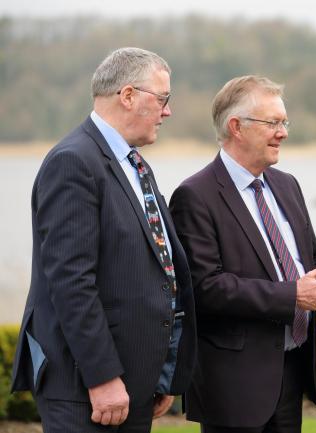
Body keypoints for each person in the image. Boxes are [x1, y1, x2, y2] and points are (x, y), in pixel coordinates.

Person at [11, 47, 197, 433]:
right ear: (128, 96)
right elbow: (71, 282)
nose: (168, 111)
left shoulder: (133, 164)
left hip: (134, 384)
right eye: (163, 99)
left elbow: (154, 270)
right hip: (88, 391)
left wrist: (158, 374)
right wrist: (103, 377)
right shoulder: (74, 162)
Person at [169, 75, 316, 433]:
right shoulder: (194, 195)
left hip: (290, 375)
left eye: (284, 122)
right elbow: (204, 288)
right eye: (273, 123)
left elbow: (305, 267)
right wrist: (294, 295)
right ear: (236, 127)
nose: (283, 132)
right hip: (234, 387)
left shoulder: (286, 185)